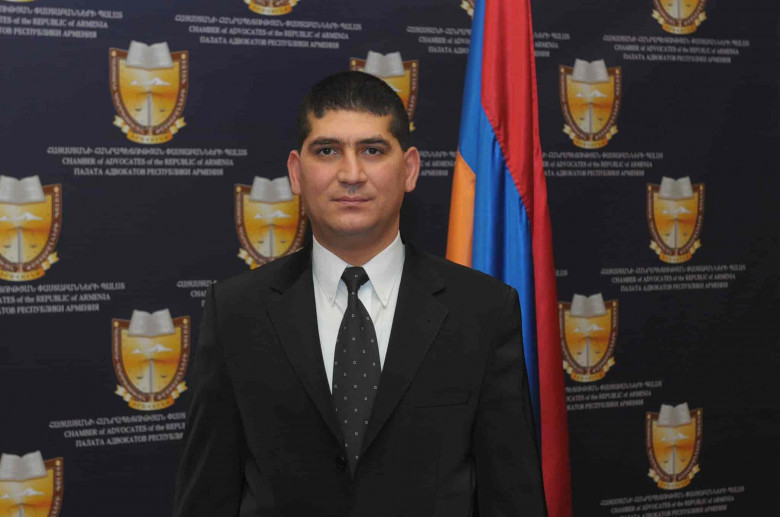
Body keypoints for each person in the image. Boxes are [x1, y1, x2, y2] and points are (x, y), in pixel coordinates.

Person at [173, 71, 547, 516]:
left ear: (409, 169)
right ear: (296, 172)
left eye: (372, 150)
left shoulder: (482, 310)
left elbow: (513, 497)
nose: (351, 175)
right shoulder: (236, 312)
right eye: (327, 151)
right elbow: (207, 496)